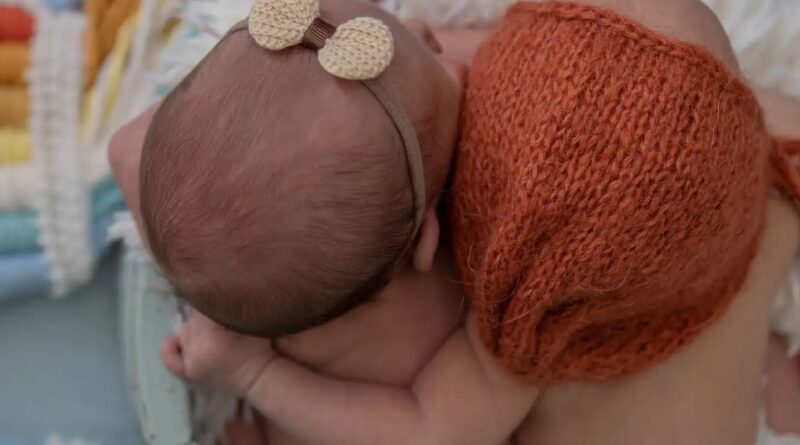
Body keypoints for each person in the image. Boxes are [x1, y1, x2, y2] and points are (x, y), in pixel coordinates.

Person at [108, 0, 800, 443]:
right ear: (425, 239)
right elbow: (430, 430)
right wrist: (256, 376)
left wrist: (251, 365)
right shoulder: (453, 318)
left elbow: (137, 147)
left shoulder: (162, 173)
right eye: (448, 67)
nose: (437, 38)